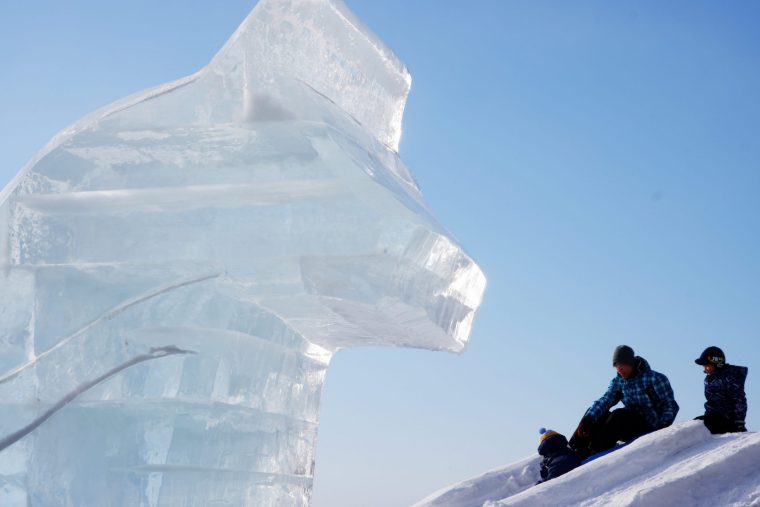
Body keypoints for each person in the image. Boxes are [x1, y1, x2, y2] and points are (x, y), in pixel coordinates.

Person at [569, 345, 679, 459]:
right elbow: (606, 400)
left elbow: (670, 406)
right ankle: (573, 450)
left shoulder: (655, 378)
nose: (619, 369)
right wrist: (589, 418)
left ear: (631, 363)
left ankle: (595, 453)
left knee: (619, 415)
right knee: (596, 414)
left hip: (650, 426)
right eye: (616, 366)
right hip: (628, 425)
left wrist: (661, 428)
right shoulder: (619, 382)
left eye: (622, 365)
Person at [694, 346, 748, 434]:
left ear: (717, 364)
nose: (705, 368)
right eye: (704, 366)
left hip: (727, 420)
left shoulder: (730, 378)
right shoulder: (710, 379)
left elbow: (739, 400)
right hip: (713, 417)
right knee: (695, 425)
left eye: (707, 366)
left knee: (702, 425)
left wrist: (739, 423)